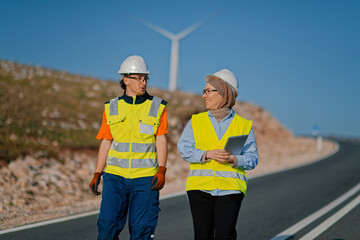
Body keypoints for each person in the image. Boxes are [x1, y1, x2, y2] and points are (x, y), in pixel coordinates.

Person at [89, 55, 168, 240]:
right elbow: (106, 141)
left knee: (141, 229)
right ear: (125, 80)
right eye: (139, 78)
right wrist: (97, 173)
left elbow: (161, 140)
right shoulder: (112, 107)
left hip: (145, 178)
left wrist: (162, 169)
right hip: (115, 177)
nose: (143, 82)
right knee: (107, 225)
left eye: (145, 78)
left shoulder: (157, 106)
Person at [177, 69, 258, 240]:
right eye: (204, 91)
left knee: (225, 236)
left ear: (224, 93)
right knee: (202, 236)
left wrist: (234, 159)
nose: (204, 95)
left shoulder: (243, 125)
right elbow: (184, 149)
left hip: (230, 190)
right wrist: (206, 154)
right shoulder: (196, 121)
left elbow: (252, 158)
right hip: (200, 188)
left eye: (209, 91)